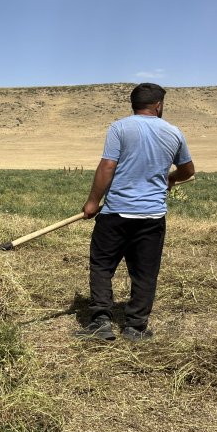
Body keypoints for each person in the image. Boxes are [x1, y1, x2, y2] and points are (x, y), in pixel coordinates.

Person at [77, 82, 194, 341]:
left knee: (102, 266)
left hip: (116, 212)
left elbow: (108, 166)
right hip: (152, 216)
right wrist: (171, 179)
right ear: (159, 105)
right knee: (144, 272)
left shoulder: (120, 127)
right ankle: (135, 327)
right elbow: (188, 171)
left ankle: (100, 322)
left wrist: (93, 201)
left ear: (134, 104)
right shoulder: (174, 132)